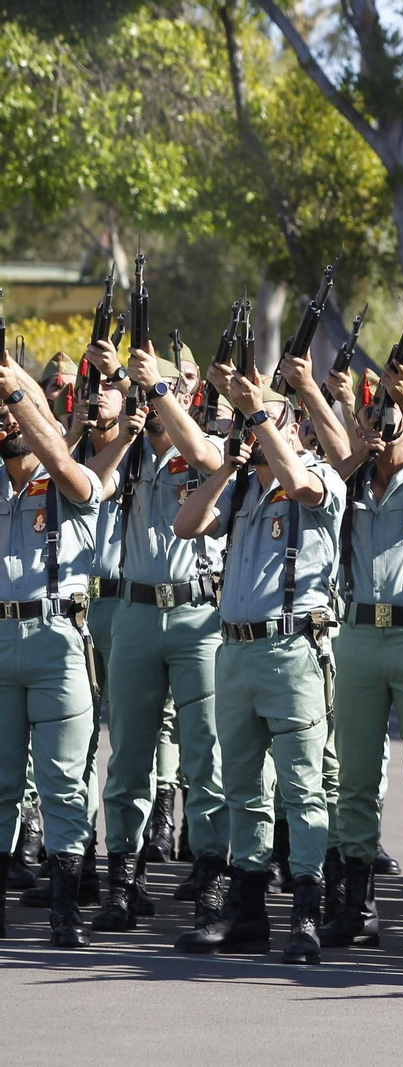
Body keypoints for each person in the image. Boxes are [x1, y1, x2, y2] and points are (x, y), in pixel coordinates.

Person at [171, 363, 345, 965]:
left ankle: (306, 915)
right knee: (244, 786)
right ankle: (247, 914)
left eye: (268, 422)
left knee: (301, 788)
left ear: (291, 427)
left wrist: (260, 416)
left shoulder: (319, 477)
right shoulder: (244, 485)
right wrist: (228, 468)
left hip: (293, 650)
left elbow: (300, 485)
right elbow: (185, 524)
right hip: (236, 650)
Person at [296, 355, 403, 955]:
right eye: (371, 414)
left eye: (385, 416)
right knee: (355, 778)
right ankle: (355, 905)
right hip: (358, 635)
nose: (379, 425)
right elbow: (336, 457)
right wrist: (322, 397)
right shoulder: (351, 476)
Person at [82, 338, 230, 936]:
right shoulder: (133, 451)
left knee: (206, 756)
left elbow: (204, 455)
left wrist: (160, 395)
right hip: (137, 613)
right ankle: (123, 877)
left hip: (198, 615)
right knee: (130, 756)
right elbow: (87, 483)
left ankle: (214, 880)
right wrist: (124, 420)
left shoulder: (209, 442)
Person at [0, 343, 103, 946]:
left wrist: (17, 388)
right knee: (4, 781)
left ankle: (66, 909)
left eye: (16, 413)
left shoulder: (72, 475)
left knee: (64, 780)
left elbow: (60, 458)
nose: (8, 421)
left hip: (56, 636)